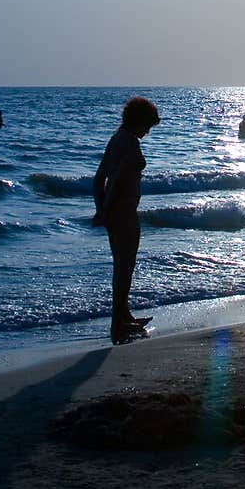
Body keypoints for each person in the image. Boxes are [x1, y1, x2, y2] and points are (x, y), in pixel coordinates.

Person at [92, 95, 161, 344]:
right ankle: (118, 323)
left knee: (121, 266)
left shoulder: (116, 139)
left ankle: (123, 315)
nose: (147, 133)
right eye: (148, 127)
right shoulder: (130, 142)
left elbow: (99, 179)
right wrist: (105, 210)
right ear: (139, 122)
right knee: (125, 267)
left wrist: (101, 209)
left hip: (115, 214)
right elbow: (117, 180)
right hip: (123, 213)